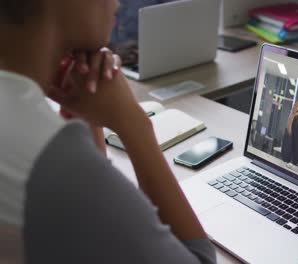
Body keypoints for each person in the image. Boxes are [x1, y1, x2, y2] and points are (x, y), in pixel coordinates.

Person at [0, 1, 215, 263]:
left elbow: (92, 230)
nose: (117, 2)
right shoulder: (49, 157)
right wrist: (134, 125)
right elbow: (198, 258)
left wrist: (82, 114)